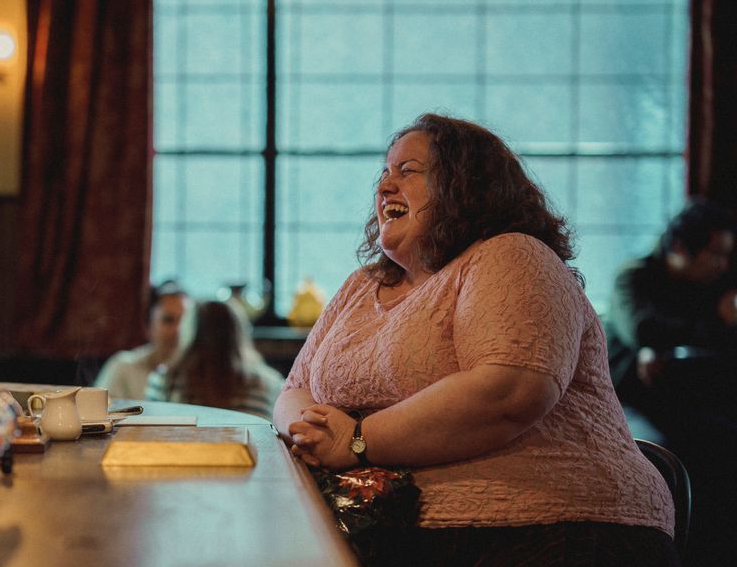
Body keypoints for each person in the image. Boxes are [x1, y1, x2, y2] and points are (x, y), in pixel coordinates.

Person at [275, 113, 677, 566]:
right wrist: (314, 433)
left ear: (465, 185)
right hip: (388, 529)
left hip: (553, 530)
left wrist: (356, 440)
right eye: (384, 173)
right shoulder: (361, 285)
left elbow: (509, 390)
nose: (385, 186)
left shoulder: (512, 254)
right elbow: (293, 391)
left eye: (408, 171)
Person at [605, 198, 737, 566]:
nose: (723, 264)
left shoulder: (709, 286)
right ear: (679, 247)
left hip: (677, 400)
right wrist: (715, 321)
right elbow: (643, 329)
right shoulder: (634, 276)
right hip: (625, 401)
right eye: (716, 254)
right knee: (661, 456)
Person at [145, 300, 284, 420]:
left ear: (188, 333)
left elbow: (155, 431)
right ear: (239, 333)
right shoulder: (270, 383)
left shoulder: (163, 381)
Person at [93, 281, 189, 399]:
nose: (178, 330)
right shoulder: (123, 367)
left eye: (185, 321)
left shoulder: (197, 374)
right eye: (168, 320)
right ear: (149, 324)